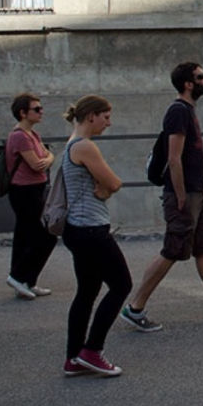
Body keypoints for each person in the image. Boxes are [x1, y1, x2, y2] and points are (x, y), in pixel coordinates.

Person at [120, 63, 203, 332]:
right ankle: (135, 307)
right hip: (184, 194)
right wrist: (181, 196)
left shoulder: (188, 110)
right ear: (188, 84)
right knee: (172, 249)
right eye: (201, 77)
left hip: (196, 192)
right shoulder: (178, 111)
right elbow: (174, 158)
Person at [58, 95, 133, 377]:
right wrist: (106, 189)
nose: (109, 123)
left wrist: (103, 189)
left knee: (87, 292)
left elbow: (103, 185)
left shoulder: (71, 143)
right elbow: (114, 182)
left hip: (77, 228)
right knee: (121, 285)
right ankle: (92, 350)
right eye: (106, 117)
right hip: (91, 228)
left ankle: (73, 357)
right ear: (92, 116)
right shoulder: (85, 146)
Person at [4, 93, 59, 300]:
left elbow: (48, 155)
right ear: (23, 113)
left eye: (41, 108)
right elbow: (37, 164)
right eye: (36, 109)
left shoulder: (32, 134)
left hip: (35, 188)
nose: (41, 111)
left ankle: (27, 281)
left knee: (25, 237)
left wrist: (47, 158)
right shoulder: (19, 136)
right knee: (46, 236)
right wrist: (45, 159)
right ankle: (17, 276)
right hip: (24, 191)